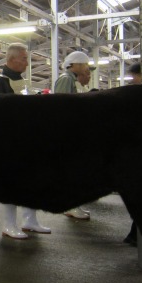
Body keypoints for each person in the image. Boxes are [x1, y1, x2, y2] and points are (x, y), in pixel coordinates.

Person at [0, 43, 51, 239]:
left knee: (30, 182)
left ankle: (30, 220)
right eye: (24, 58)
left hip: (27, 140)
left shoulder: (23, 82)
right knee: (11, 184)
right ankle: (8, 224)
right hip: (10, 143)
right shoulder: (0, 81)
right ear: (11, 59)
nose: (27, 62)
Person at [54, 51, 96, 220]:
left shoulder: (72, 80)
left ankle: (75, 204)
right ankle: (71, 205)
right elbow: (62, 107)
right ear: (76, 65)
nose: (87, 68)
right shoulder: (66, 79)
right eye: (85, 65)